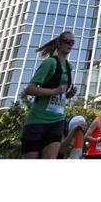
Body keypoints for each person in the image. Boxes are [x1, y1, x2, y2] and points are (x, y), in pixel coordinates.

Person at [20, 31, 77, 159]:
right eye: (68, 41)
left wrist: (68, 95)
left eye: (72, 42)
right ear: (59, 43)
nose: (70, 45)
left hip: (57, 120)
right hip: (38, 120)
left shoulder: (69, 67)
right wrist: (54, 91)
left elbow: (60, 94)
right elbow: (29, 89)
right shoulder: (50, 63)